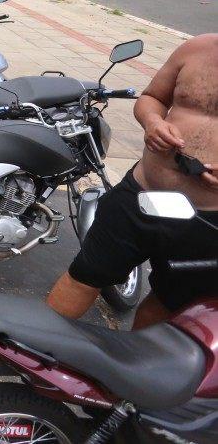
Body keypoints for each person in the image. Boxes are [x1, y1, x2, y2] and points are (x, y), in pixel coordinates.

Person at [47, 34, 218, 328]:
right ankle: (33, 353)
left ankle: (137, 366)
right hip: (141, 194)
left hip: (206, 220)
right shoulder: (198, 47)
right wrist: (153, 123)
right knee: (84, 276)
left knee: (170, 299)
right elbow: (152, 98)